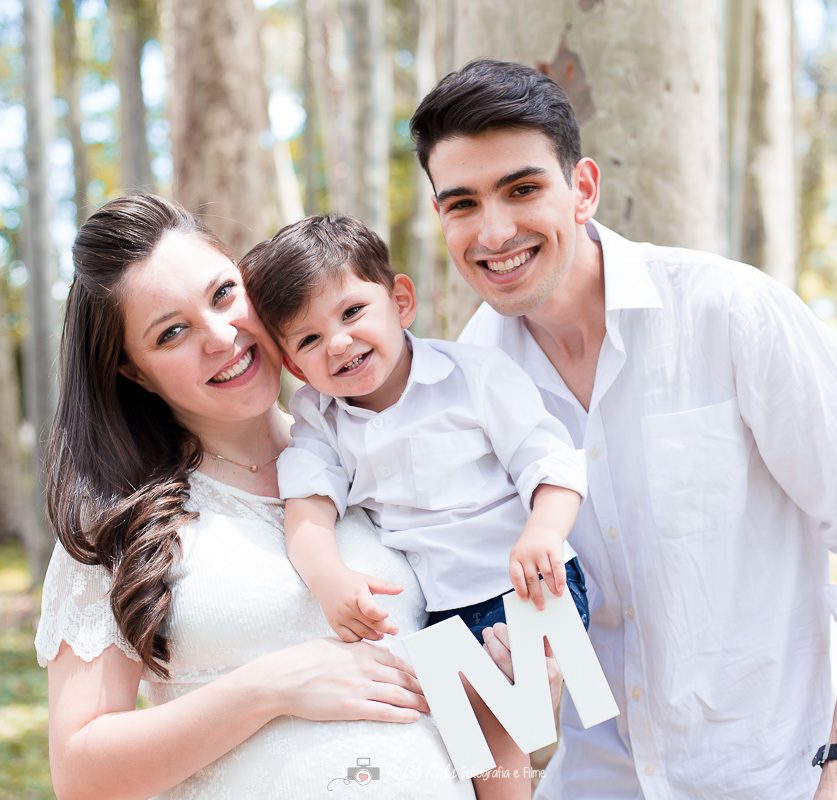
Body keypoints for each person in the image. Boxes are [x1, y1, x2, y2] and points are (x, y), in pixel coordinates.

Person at [409, 60, 837, 800]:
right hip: (591, 783)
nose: (494, 231)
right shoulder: (461, 385)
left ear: (583, 189)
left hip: (769, 780)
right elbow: (464, 595)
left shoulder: (732, 313)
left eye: (522, 189)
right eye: (462, 203)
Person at [34, 193, 481, 799]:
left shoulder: (377, 454)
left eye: (223, 294)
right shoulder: (122, 524)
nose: (221, 337)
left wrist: (513, 685)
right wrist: (272, 686)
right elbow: (81, 775)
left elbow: (460, 693)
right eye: (171, 333)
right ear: (135, 372)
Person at [239, 213, 591, 799]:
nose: (339, 343)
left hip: (529, 581)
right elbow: (307, 508)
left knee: (495, 715)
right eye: (309, 340)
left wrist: (544, 532)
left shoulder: (472, 376)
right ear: (295, 367)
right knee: (465, 735)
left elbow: (551, 463)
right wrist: (328, 577)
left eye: (352, 312)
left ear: (400, 301)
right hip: (444, 609)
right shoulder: (320, 419)